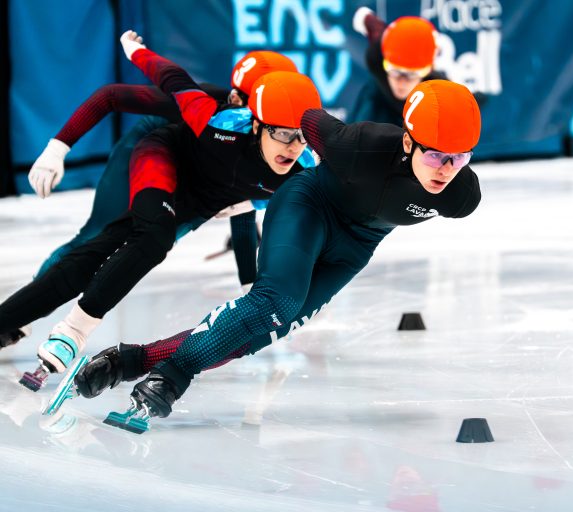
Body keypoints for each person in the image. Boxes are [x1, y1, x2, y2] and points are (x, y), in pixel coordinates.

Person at [75, 78, 482, 432]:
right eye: (434, 154)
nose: (445, 169)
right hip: (310, 207)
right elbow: (308, 118)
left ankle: (131, 361)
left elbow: (445, 176)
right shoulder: (361, 146)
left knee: (265, 329)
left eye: (459, 157)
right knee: (274, 301)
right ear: (408, 142)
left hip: (355, 246)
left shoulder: (461, 196)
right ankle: (170, 376)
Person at [0, 31, 321, 390]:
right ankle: (56, 327)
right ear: (257, 116)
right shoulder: (215, 115)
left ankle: (13, 317)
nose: (292, 145)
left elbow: (256, 210)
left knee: (137, 242)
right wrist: (59, 145)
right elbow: (131, 89)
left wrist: (252, 284)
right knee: (113, 237)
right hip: (160, 152)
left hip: (200, 198)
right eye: (281, 131)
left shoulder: (302, 163)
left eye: (299, 135)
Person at [29, 49, 300, 284]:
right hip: (149, 149)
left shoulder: (272, 138)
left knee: (149, 243)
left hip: (194, 171)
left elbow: (242, 202)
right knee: (95, 236)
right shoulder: (208, 107)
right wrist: (58, 147)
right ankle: (27, 306)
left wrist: (248, 285)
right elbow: (111, 95)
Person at [349, 10, 446, 125]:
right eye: (395, 71)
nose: (401, 82)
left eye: (411, 74)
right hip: (379, 106)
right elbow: (373, 26)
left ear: (428, 70)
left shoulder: (439, 92)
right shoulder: (375, 58)